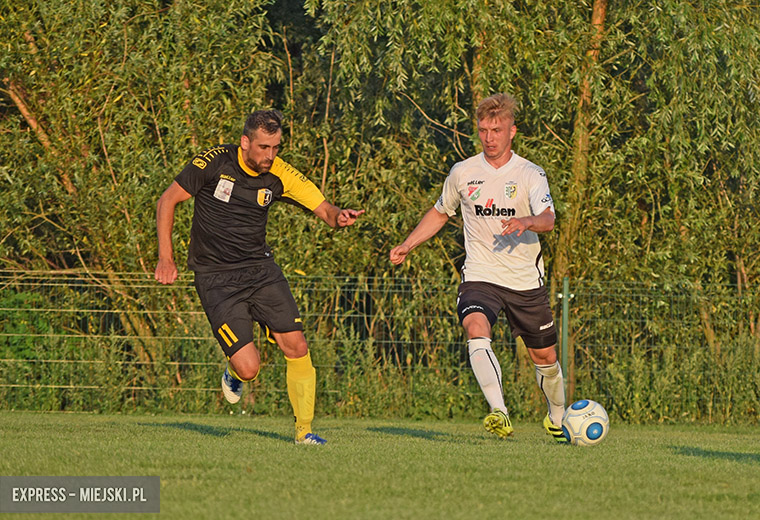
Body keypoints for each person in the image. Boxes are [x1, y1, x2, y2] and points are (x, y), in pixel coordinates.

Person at [156, 109, 364, 445]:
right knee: (249, 368)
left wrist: (339, 216)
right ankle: (235, 370)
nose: (270, 155)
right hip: (216, 278)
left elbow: (324, 209)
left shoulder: (280, 174)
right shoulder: (213, 163)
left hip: (260, 270)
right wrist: (166, 258)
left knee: (296, 344)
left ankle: (304, 432)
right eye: (264, 147)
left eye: (276, 147)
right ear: (245, 142)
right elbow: (167, 201)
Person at [389, 93, 566, 442]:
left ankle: (558, 417)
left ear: (512, 131)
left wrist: (527, 221)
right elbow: (441, 212)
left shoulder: (530, 173)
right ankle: (499, 411)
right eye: (483, 130)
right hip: (481, 274)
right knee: (475, 327)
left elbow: (549, 219)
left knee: (545, 358)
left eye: (496, 130)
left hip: (524, 279)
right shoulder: (463, 172)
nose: (489, 137)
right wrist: (409, 243)